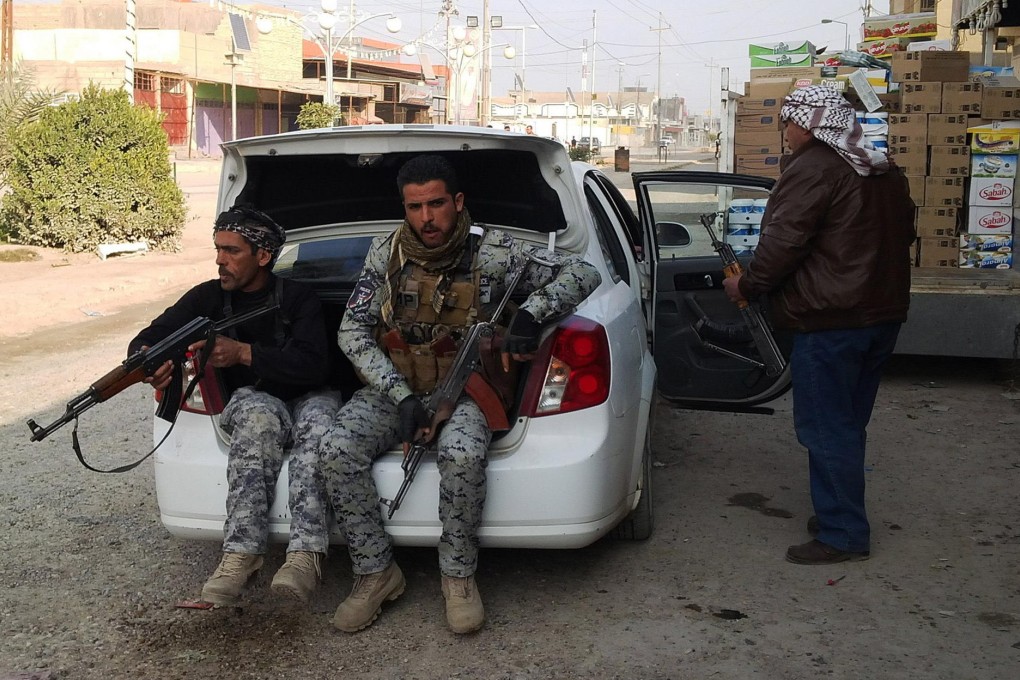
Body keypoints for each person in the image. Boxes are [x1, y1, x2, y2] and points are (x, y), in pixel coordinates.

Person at [320, 154, 601, 634]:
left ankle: (458, 575)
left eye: (435, 204)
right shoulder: (386, 253)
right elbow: (352, 331)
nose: (426, 218)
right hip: (398, 387)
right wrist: (401, 395)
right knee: (336, 448)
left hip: (468, 389)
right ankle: (375, 571)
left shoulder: (494, 252)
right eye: (414, 207)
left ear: (458, 201)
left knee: (464, 453)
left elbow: (582, 273)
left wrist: (532, 314)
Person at [721, 85, 915, 566]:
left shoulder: (813, 169)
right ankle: (839, 511)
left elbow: (783, 244)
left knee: (827, 429)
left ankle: (844, 532)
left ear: (807, 125)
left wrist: (747, 287)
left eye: (787, 123)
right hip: (880, 315)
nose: (785, 134)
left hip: (830, 321)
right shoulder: (881, 167)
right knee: (847, 423)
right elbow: (903, 234)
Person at [129, 206, 339, 605]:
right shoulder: (206, 297)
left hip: (310, 394)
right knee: (256, 419)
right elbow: (152, 334)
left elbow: (315, 364)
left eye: (231, 251)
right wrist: (147, 360)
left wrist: (244, 353)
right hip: (257, 400)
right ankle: (241, 554)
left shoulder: (299, 298)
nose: (220, 260)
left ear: (263, 256)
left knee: (320, 424)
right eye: (218, 249)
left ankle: (305, 555)